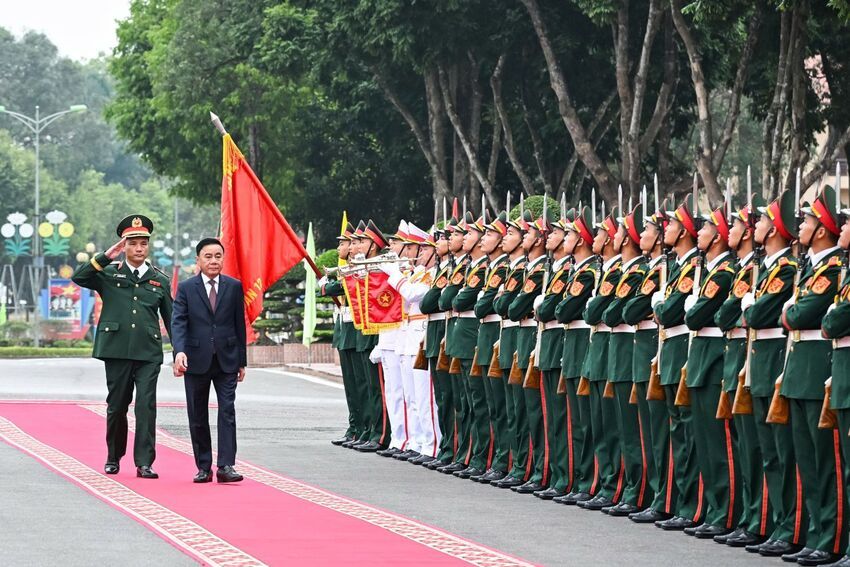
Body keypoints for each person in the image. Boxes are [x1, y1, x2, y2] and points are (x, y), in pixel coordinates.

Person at [71, 214, 172, 479]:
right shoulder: (109, 273)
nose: (139, 248)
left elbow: (172, 319)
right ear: (124, 246)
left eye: (143, 243)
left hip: (149, 353)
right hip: (117, 351)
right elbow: (79, 277)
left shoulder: (159, 280)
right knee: (117, 406)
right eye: (133, 243)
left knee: (146, 406)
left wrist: (181, 350)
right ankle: (113, 456)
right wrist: (106, 255)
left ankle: (144, 463)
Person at [171, 237, 246, 483]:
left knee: (227, 411)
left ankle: (226, 466)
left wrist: (242, 361)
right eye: (208, 256)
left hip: (227, 359)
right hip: (196, 359)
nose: (213, 261)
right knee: (198, 414)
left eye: (218, 256)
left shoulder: (234, 286)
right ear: (198, 260)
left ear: (223, 259)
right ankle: (203, 466)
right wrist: (179, 352)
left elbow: (238, 325)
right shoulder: (186, 288)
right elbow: (179, 322)